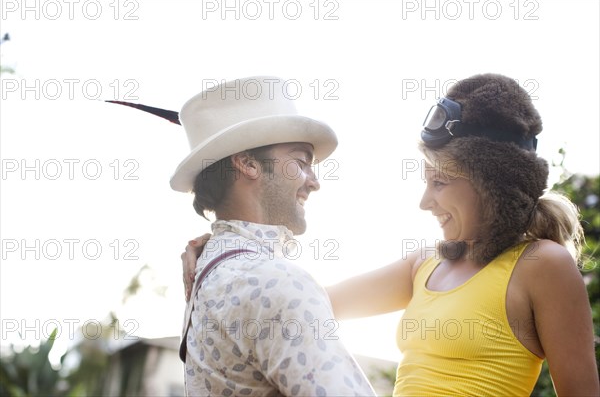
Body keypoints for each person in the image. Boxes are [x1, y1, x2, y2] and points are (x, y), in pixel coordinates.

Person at [183, 74, 599, 396]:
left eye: (439, 182)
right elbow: (297, 305)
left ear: (489, 181)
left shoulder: (543, 265)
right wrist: (225, 260)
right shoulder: (424, 264)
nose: (424, 201)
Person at [172, 76, 376, 397]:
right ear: (248, 163)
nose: (314, 181)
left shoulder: (207, 272)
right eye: (301, 161)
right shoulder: (274, 281)